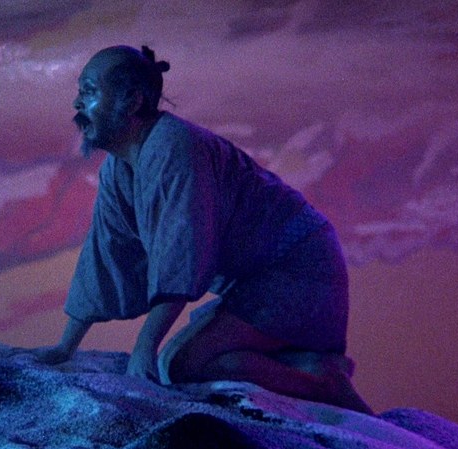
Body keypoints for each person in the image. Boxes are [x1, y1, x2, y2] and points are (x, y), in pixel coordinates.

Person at [34, 45, 373, 414]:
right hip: (259, 279)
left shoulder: (175, 146)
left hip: (300, 266)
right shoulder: (118, 169)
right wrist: (65, 348)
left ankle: (322, 384)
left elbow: (181, 249)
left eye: (89, 92)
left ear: (132, 101)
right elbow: (107, 253)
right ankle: (302, 367)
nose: (77, 104)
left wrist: (145, 347)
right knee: (182, 362)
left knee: (183, 364)